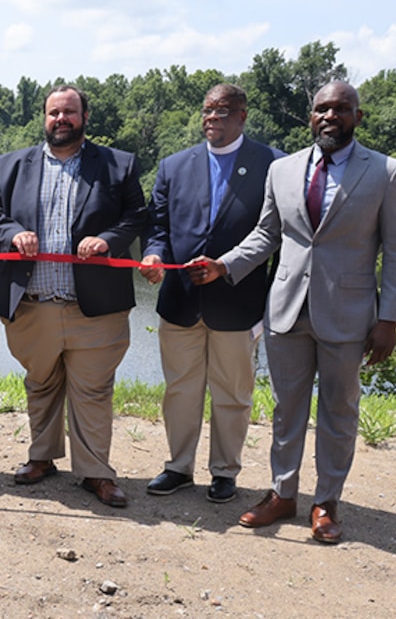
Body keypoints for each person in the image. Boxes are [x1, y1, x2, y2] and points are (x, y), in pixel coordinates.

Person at [190, 81, 396, 543]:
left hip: (349, 314)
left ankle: (326, 502)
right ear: (310, 117)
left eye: (341, 109)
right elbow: (266, 234)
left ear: (357, 116)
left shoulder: (387, 173)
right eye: (321, 109)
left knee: (338, 411)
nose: (330, 116)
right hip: (286, 310)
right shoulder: (284, 170)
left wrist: (389, 319)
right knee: (285, 410)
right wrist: (223, 266)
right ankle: (282, 494)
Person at [0, 85, 148, 507]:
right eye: (54, 112)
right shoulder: (9, 166)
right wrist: (13, 234)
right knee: (40, 384)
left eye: (69, 112)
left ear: (85, 117)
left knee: (92, 391)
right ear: (44, 117)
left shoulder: (118, 165)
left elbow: (138, 216)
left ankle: (96, 473)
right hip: (31, 303)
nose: (61, 119)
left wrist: (108, 240)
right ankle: (41, 458)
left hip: (95, 308)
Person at [139, 84, 282, 504]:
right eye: (207, 110)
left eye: (222, 111)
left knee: (232, 395)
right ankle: (179, 467)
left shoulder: (272, 165)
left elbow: (274, 237)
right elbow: (158, 226)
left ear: (243, 115)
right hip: (180, 303)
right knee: (180, 390)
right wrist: (152, 255)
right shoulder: (173, 166)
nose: (212, 118)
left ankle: (224, 472)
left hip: (239, 304)